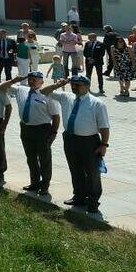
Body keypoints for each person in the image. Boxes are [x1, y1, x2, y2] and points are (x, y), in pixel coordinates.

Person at [1, 71, 66, 194]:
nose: (32, 81)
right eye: (30, 79)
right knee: (31, 158)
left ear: (42, 81)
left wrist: (54, 132)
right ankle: (34, 183)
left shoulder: (47, 94)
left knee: (44, 158)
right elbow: (2, 87)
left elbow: (56, 116)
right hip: (26, 128)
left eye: (35, 79)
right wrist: (14, 80)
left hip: (42, 129)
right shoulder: (21, 90)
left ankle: (44, 185)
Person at [55, 73, 111, 214]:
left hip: (89, 142)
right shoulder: (68, 98)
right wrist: (60, 84)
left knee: (92, 172)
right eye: (73, 85)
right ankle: (79, 197)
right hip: (70, 139)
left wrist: (104, 145)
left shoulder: (96, 103)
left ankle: (93, 201)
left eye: (78, 85)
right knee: (75, 170)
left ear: (87, 86)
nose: (74, 87)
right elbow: (44, 92)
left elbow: (104, 126)